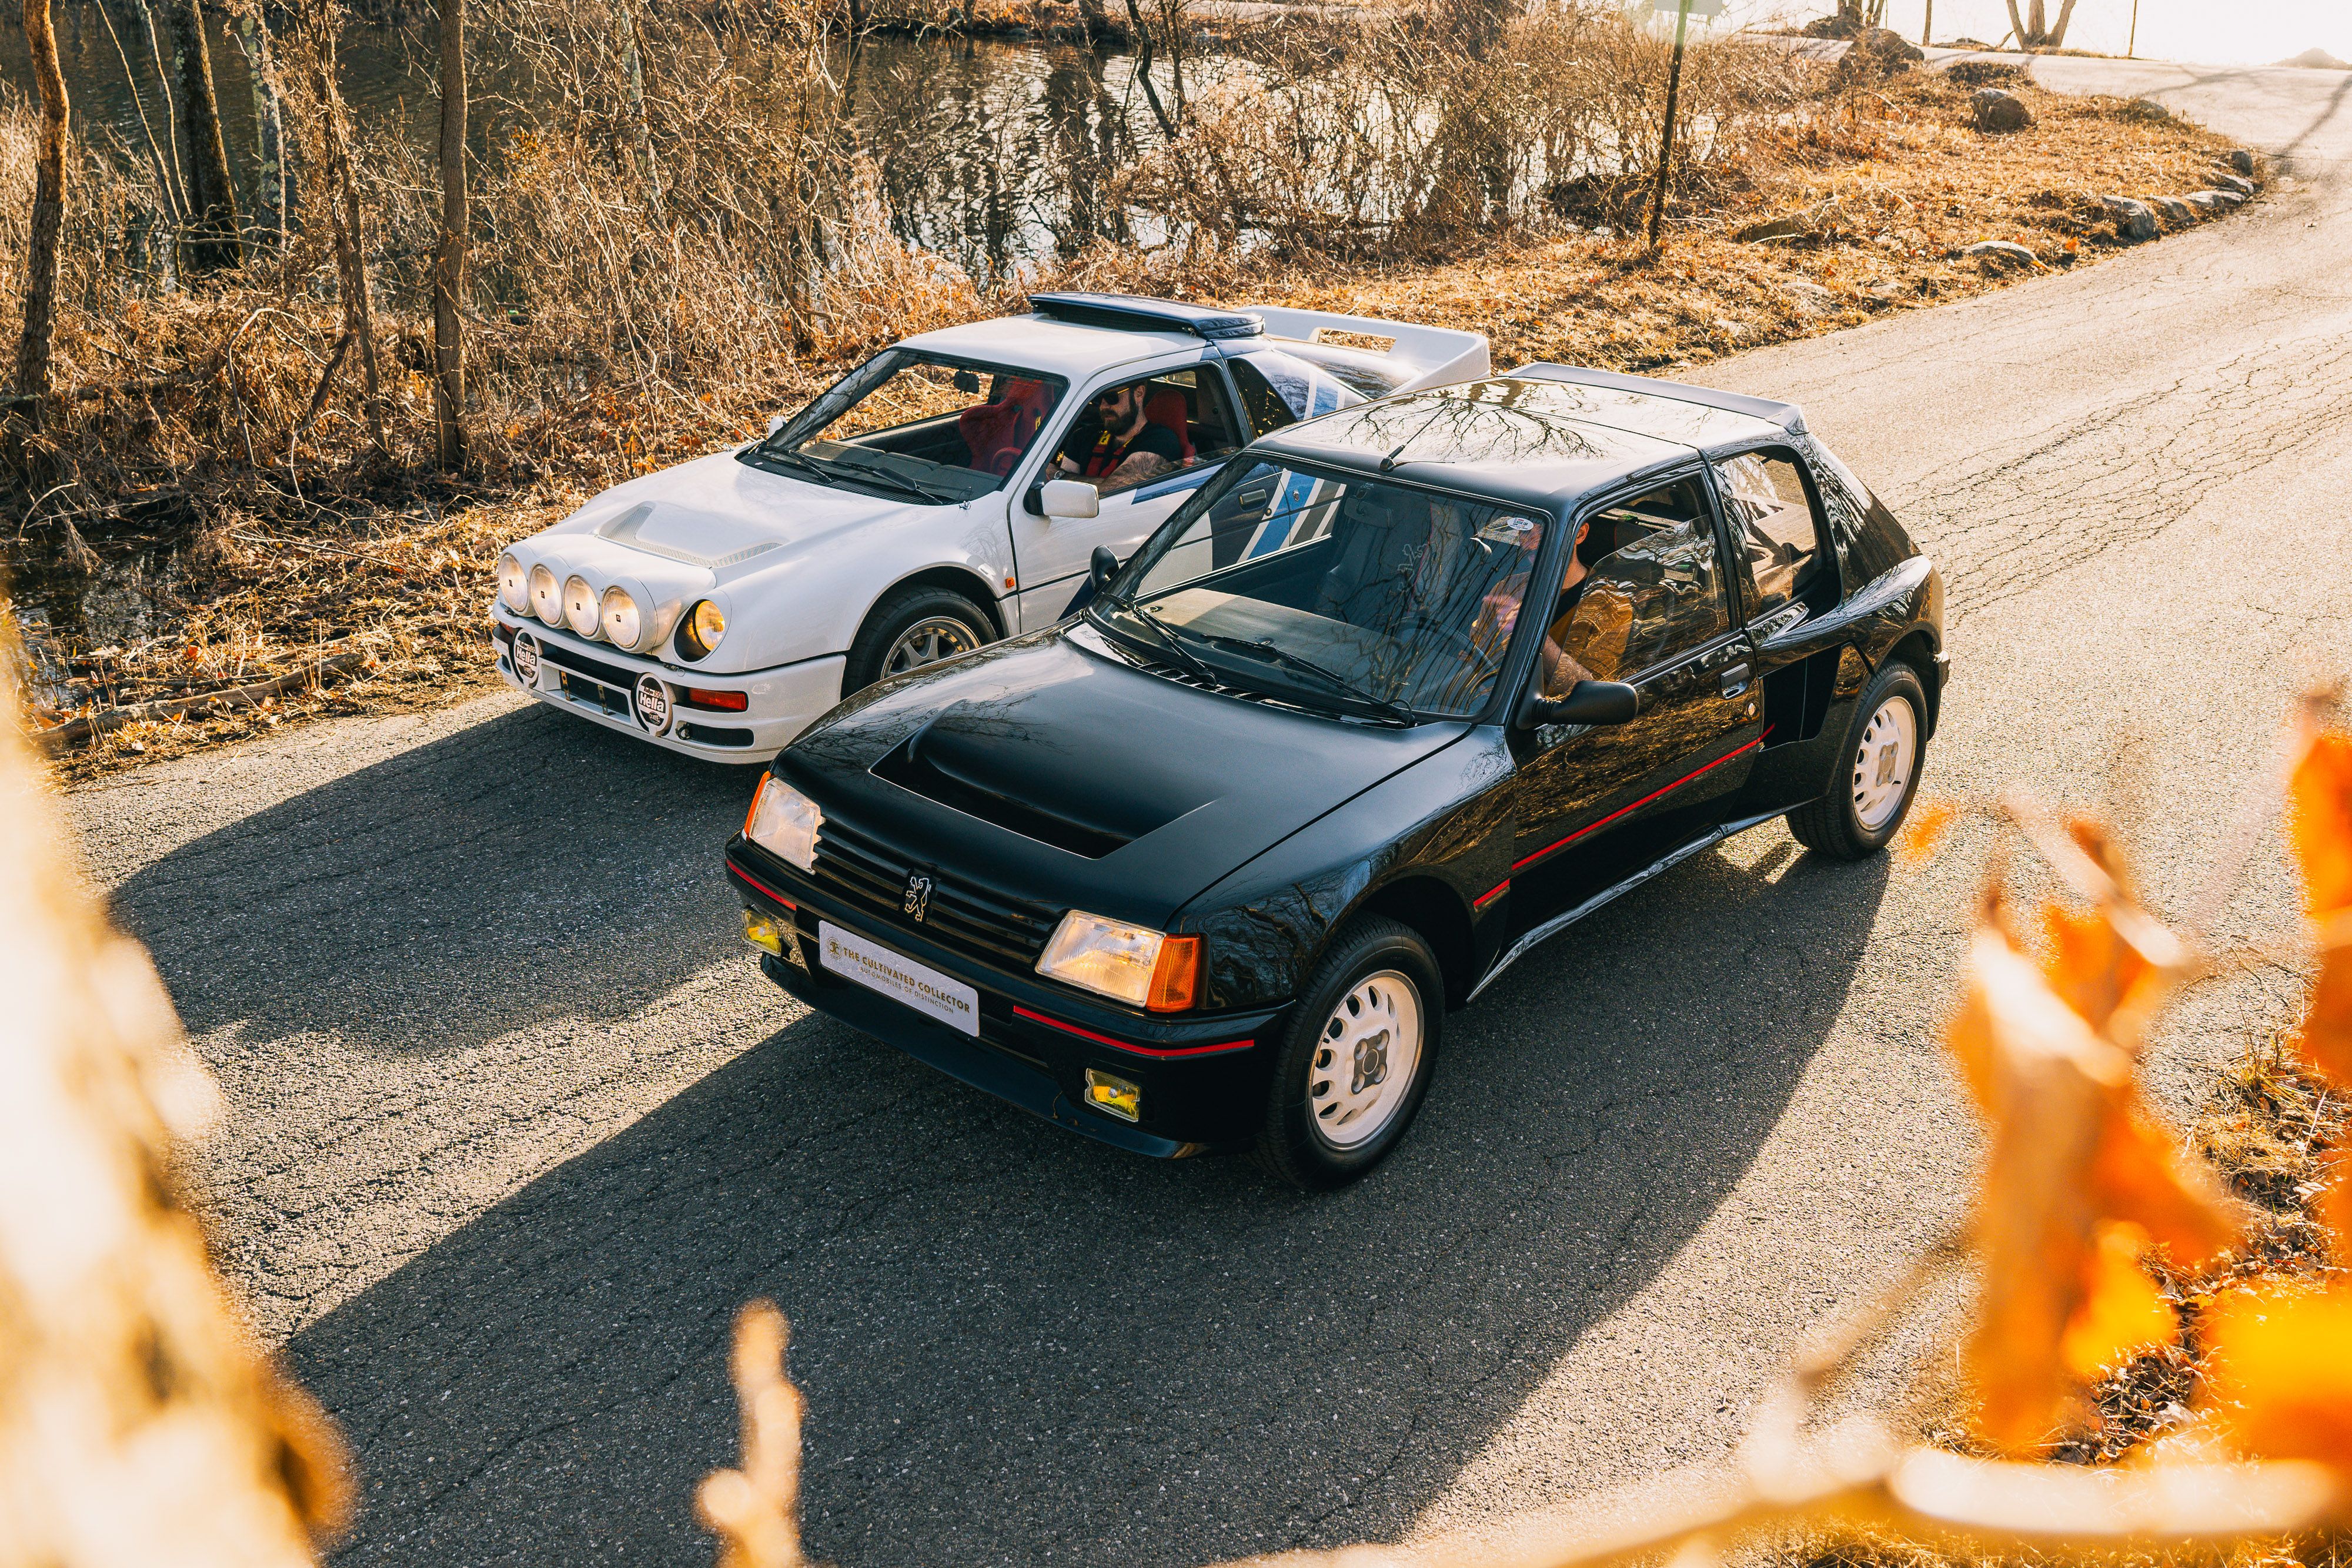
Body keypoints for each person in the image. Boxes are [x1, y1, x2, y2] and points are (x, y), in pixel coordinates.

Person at [1055, 380, 1185, 493]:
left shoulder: (1161, 440)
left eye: (1112, 397)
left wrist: (1058, 475)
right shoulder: (1083, 436)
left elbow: (1114, 490)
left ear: (1139, 393)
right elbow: (1061, 492)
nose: (1103, 406)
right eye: (1098, 398)